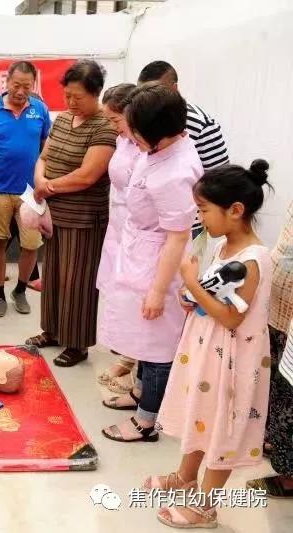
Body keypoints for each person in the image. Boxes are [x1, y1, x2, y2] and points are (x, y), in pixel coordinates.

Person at [143, 160, 272, 528]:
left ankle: (205, 506)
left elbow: (232, 317)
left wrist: (191, 284)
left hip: (233, 358)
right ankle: (185, 477)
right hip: (209, 350)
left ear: (235, 210)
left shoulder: (254, 259)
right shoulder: (223, 246)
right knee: (202, 414)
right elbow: (216, 296)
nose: (200, 218)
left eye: (203, 210)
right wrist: (193, 296)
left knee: (223, 427)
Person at [98, 83, 203, 441]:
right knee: (143, 338)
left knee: (157, 345)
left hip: (161, 262)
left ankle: (147, 422)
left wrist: (158, 291)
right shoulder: (160, 150)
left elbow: (177, 237)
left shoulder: (177, 172)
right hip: (142, 251)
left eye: (135, 132)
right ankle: (140, 392)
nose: (130, 137)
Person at [25, 60, 117, 367]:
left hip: (84, 218)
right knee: (53, 275)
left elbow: (87, 175)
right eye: (67, 96)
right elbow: (44, 156)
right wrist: (39, 179)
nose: (71, 102)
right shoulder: (63, 119)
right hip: (54, 214)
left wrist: (48, 186)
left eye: (78, 97)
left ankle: (77, 343)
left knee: (77, 281)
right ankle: (52, 331)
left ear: (96, 93)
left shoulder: (104, 127)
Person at [0, 61, 52, 318]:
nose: (21, 91)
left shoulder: (40, 110)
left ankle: (19, 290)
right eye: (16, 85)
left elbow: (46, 148)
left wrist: (44, 180)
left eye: (27, 86)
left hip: (31, 193)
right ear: (7, 82)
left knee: (31, 245)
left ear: (33, 85)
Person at [138, 61, 230, 258]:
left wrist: (199, 213)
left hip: (188, 224)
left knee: (182, 270)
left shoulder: (202, 124)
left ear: (174, 88)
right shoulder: (142, 118)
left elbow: (220, 180)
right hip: (151, 223)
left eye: (156, 92)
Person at [94, 83, 141, 394]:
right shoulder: (123, 140)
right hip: (119, 222)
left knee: (136, 296)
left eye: (115, 120)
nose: (113, 126)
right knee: (118, 292)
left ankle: (135, 361)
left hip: (138, 228)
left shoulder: (146, 145)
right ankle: (126, 354)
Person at [247, 201, 293, 497]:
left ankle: (289, 475)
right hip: (279, 307)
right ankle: (276, 445)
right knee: (275, 385)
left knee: (288, 395)